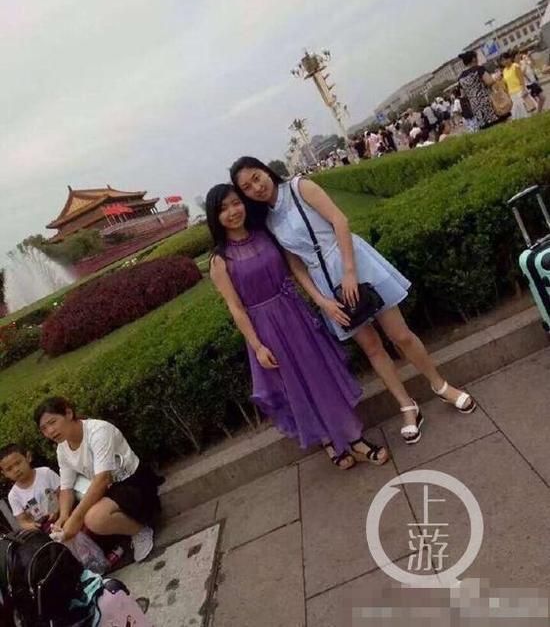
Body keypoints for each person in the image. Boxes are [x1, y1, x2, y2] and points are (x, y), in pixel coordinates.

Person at [230, 157, 477, 446]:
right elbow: (295, 265)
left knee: (400, 335)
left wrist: (349, 272)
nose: (256, 187)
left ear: (266, 171)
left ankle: (440, 385)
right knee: (371, 346)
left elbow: (340, 220)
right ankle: (406, 405)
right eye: (246, 187)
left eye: (256, 177)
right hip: (324, 283)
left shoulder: (300, 187)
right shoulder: (268, 221)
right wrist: (321, 301)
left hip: (353, 263)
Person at [206, 183, 389, 470]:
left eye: (235, 203)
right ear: (214, 217)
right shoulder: (220, 261)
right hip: (266, 329)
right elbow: (236, 308)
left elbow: (295, 266)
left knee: (320, 375)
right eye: (223, 209)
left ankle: (354, 438)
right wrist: (257, 346)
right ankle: (329, 440)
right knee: (297, 386)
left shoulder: (265, 234)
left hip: (295, 314)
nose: (232, 212)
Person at [34, 397, 161, 562]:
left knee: (94, 519)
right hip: (109, 489)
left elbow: (102, 479)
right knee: (79, 507)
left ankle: (140, 531)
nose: (50, 431)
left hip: (133, 482)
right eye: (44, 429)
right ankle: (124, 527)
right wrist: (63, 517)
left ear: (68, 413)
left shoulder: (98, 431)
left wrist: (75, 520)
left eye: (52, 422)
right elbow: (66, 487)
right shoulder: (62, 448)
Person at [0, 443, 60, 531]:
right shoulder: (13, 495)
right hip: (45, 530)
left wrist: (56, 509)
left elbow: (63, 493)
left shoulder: (45, 473)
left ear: (28, 457)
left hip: (63, 517)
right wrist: (32, 526)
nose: (16, 470)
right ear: (4, 474)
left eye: (18, 463)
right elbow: (22, 521)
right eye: (9, 469)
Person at [457, 50, 506, 129]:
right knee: (497, 124)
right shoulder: (478, 69)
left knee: (486, 127)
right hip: (487, 102)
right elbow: (489, 81)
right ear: (473, 59)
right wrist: (496, 77)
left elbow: (463, 94)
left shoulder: (460, 77)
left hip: (475, 106)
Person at [500, 52, 528, 120]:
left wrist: (524, 89)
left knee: (523, 111)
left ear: (510, 58)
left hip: (519, 92)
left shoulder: (515, 66)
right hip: (511, 94)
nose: (505, 61)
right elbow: (506, 84)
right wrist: (507, 95)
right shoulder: (504, 71)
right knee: (515, 114)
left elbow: (521, 79)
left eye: (506, 59)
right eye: (503, 60)